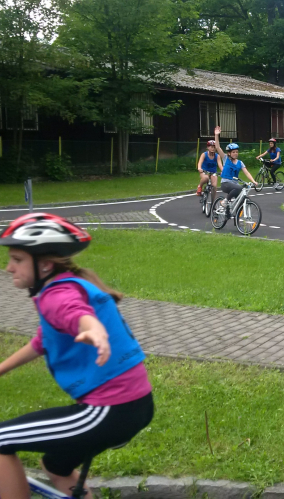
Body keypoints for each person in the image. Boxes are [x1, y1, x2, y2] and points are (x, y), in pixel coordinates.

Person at [0, 213, 153, 499]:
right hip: (132, 404)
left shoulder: (58, 296)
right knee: (55, 465)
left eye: (17, 259)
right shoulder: (67, 284)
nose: (9, 268)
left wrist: (94, 329)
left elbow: (77, 315)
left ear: (44, 264)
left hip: (110, 409)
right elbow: (42, 341)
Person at [213, 126, 258, 216]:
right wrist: (216, 135)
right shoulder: (226, 159)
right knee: (239, 188)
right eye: (233, 152)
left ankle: (234, 216)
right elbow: (217, 147)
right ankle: (225, 201)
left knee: (244, 198)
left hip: (234, 184)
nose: (235, 154)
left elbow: (247, 172)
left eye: (237, 152)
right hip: (225, 183)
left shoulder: (240, 163)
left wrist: (253, 181)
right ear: (229, 153)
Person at [196, 140, 223, 205]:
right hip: (204, 171)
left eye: (214, 147)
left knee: (214, 186)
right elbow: (199, 163)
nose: (213, 148)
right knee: (205, 178)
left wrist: (223, 171)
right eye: (211, 147)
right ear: (208, 147)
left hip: (213, 172)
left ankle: (212, 203)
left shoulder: (217, 156)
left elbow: (220, 165)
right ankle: (200, 186)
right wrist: (199, 168)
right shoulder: (204, 154)